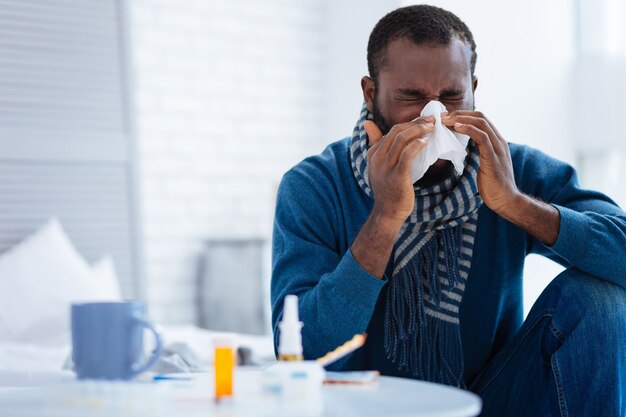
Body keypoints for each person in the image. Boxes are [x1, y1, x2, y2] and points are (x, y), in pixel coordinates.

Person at [270, 5, 626, 416]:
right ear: (371, 93)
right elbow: (301, 350)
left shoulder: (510, 169)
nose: (435, 117)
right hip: (361, 407)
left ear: (474, 89)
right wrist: (385, 217)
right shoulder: (315, 186)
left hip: (487, 402)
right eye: (411, 98)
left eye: (452, 97)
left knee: (600, 298)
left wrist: (514, 204)